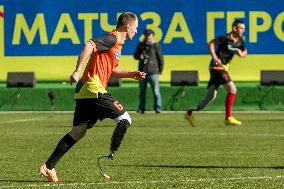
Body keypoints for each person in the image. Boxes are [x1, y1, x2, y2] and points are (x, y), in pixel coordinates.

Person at [39, 12, 145, 182]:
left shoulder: (118, 45)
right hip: (93, 88)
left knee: (78, 132)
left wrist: (132, 74)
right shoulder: (112, 38)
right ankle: (112, 153)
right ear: (127, 26)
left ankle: (48, 167)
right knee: (125, 119)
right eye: (136, 28)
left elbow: (113, 70)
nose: (137, 31)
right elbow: (89, 45)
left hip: (85, 92)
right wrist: (77, 70)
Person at [185, 20, 247, 126]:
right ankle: (228, 117)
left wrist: (241, 53)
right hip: (216, 67)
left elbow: (245, 51)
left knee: (210, 96)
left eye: (244, 29)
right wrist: (215, 57)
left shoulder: (240, 40)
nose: (243, 30)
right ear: (234, 28)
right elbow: (211, 44)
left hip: (223, 68)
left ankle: (190, 113)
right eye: (241, 28)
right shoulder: (225, 38)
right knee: (232, 89)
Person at [134, 29, 164, 113]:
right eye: (146, 35)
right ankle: (141, 109)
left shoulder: (155, 45)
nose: (148, 37)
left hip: (153, 72)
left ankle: (157, 109)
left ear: (152, 36)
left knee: (156, 92)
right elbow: (135, 56)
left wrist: (160, 70)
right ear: (144, 36)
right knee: (142, 92)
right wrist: (140, 56)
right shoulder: (141, 45)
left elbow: (160, 58)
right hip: (142, 71)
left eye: (149, 35)